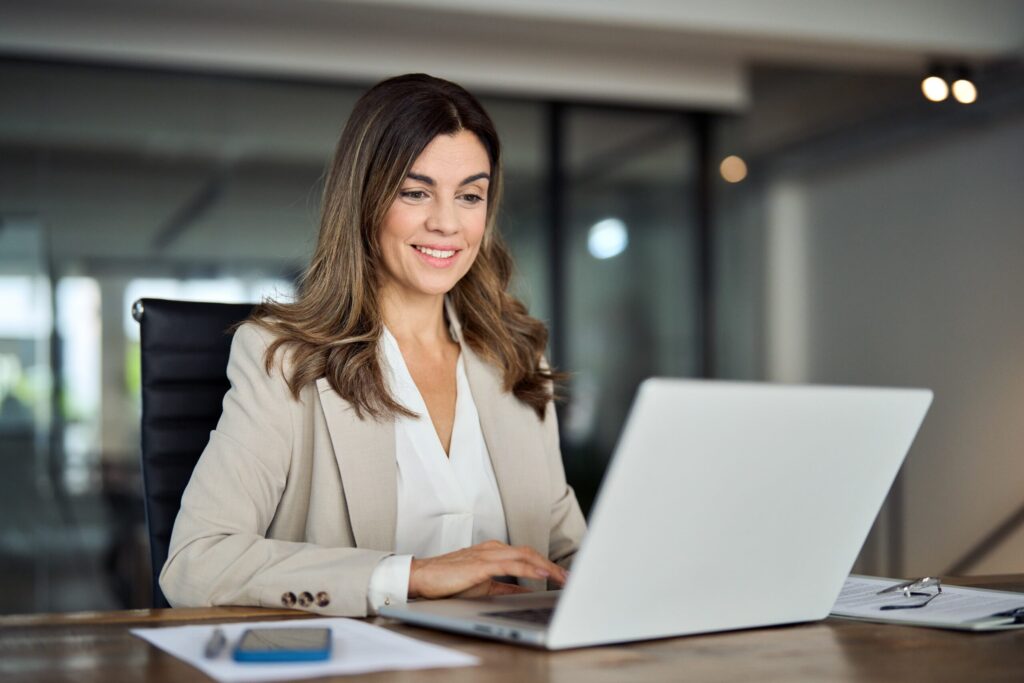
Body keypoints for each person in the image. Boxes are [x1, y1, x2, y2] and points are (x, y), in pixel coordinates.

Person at [159, 74, 587, 617]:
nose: (447, 223)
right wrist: (411, 577)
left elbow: (564, 550)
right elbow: (197, 563)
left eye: (470, 196)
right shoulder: (284, 359)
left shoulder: (515, 357)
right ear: (365, 198)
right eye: (415, 192)